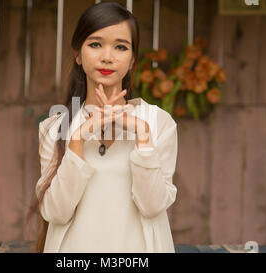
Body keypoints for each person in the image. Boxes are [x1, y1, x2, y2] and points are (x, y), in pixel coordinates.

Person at [27, 2, 178, 253]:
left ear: (132, 60)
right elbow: (56, 212)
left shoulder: (157, 122)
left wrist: (143, 140)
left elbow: (153, 206)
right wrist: (76, 141)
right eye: (95, 44)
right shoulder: (55, 127)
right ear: (78, 54)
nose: (107, 56)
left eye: (121, 46)